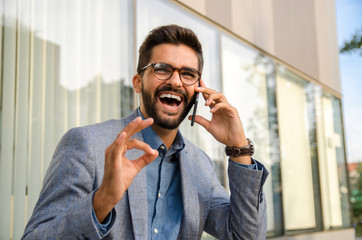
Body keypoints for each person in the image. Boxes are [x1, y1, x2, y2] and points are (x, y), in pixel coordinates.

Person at [22, 24, 268, 240]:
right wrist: (102, 202)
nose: (176, 81)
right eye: (162, 68)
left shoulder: (200, 165)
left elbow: (246, 235)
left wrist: (239, 148)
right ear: (138, 82)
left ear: (198, 90)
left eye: (188, 74)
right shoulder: (86, 144)